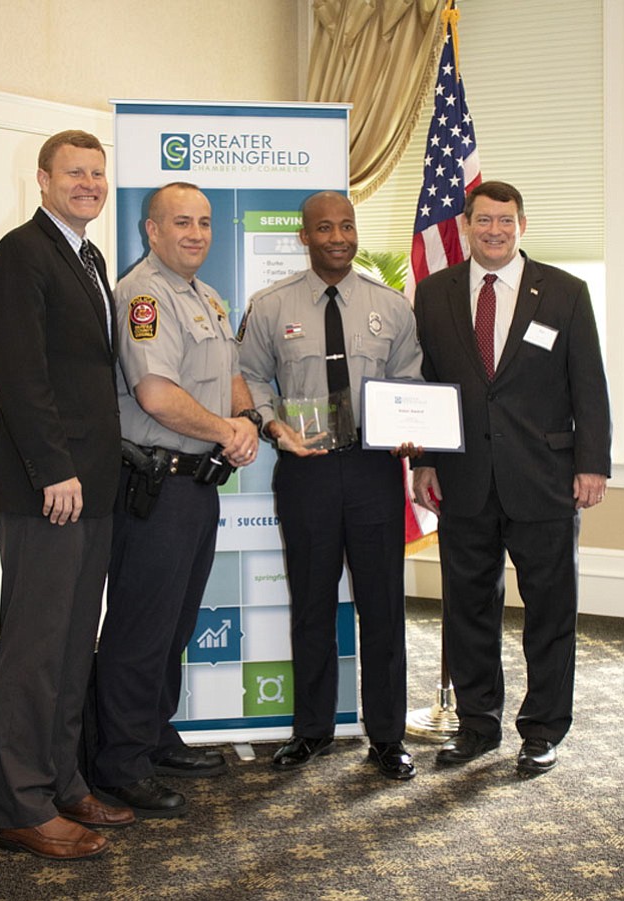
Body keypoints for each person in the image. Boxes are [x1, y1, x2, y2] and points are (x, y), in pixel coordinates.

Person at [412, 180, 611, 778]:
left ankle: (544, 729)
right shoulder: (433, 293)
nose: (494, 230)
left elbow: (589, 385)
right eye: (483, 220)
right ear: (467, 225)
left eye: (505, 220)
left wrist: (593, 463)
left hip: (546, 478)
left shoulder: (566, 292)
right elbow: (425, 385)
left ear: (523, 224)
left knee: (551, 613)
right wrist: (423, 458)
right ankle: (478, 725)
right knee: (468, 609)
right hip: (463, 479)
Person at [0, 130, 135, 860]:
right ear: (42, 179)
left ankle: (65, 782)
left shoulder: (88, 257)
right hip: (46, 486)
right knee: (35, 653)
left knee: (76, 648)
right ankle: (21, 804)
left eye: (98, 174)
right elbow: (21, 376)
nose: (89, 184)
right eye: (75, 172)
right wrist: (52, 469)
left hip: (93, 486)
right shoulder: (21, 253)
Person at [238, 191, 422, 780]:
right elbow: (247, 375)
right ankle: (312, 730)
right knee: (312, 605)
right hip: (307, 470)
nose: (338, 236)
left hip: (372, 469)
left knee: (383, 605)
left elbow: (411, 379)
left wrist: (409, 426)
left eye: (347, 225)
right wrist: (271, 424)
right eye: (325, 227)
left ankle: (388, 737)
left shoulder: (389, 305)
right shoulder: (270, 305)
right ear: (304, 235)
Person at [94, 182, 260, 816]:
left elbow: (233, 372)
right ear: (151, 232)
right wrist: (227, 431)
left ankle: (155, 735)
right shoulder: (144, 295)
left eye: (204, 222)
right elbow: (156, 396)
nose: (196, 233)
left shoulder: (207, 296)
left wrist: (245, 418)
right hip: (153, 487)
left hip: (197, 484)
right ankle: (121, 762)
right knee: (140, 627)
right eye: (180, 223)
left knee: (176, 624)